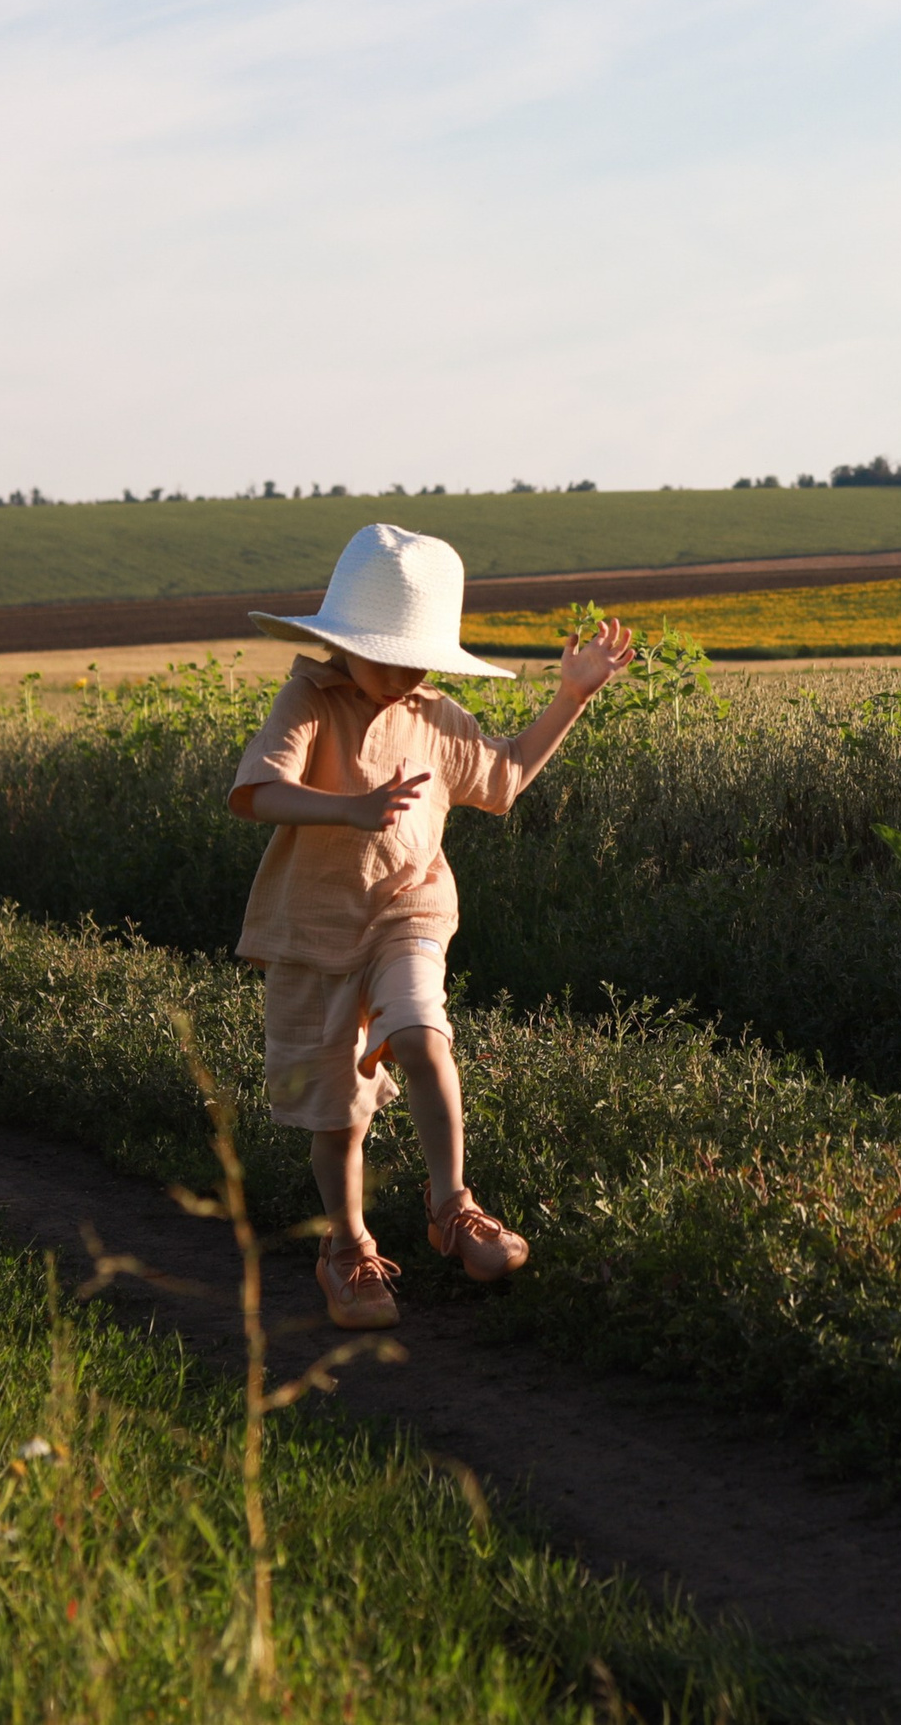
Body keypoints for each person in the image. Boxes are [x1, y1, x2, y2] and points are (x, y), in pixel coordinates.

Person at [227, 522, 631, 1330]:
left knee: (422, 1036)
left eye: (416, 658)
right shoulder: (311, 696)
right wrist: (350, 810)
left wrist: (572, 697)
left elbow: (506, 779)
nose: (403, 673)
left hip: (409, 909)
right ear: (343, 642)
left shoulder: (438, 717)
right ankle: (348, 1252)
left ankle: (453, 1209)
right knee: (336, 1115)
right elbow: (257, 793)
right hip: (311, 932)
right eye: (386, 654)